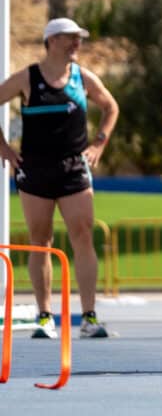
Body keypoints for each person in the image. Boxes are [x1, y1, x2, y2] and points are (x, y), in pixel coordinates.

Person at [0, 18, 118, 339]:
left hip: (74, 169)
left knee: (82, 235)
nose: (76, 44)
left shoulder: (82, 78)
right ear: (51, 41)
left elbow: (111, 107)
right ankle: (44, 316)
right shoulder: (28, 78)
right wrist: (6, 151)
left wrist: (99, 144)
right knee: (41, 242)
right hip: (35, 169)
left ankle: (89, 317)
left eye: (79, 39)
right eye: (70, 38)